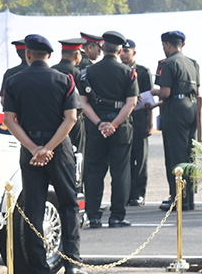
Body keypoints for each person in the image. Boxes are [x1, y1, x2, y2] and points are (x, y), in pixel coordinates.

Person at [0, 34, 89, 274]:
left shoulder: (14, 80)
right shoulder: (64, 79)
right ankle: (72, 264)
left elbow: (9, 120)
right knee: (69, 204)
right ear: (49, 56)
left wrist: (33, 148)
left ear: (28, 54)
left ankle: (38, 271)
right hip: (59, 148)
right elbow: (70, 118)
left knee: (33, 207)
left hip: (30, 148)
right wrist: (49, 148)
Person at [81, 31, 138, 228]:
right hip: (120, 127)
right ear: (120, 50)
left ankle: (94, 216)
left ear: (103, 48)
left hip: (95, 128)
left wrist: (99, 124)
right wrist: (113, 125)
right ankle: (117, 216)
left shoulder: (88, 71)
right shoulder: (128, 72)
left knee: (94, 171)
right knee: (120, 172)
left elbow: (83, 103)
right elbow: (131, 103)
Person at [154, 30, 200, 211]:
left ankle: (178, 197)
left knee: (175, 154)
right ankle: (189, 198)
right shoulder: (193, 63)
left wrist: (154, 92)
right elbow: (198, 91)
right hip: (192, 106)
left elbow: (165, 92)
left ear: (168, 45)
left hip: (175, 108)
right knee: (189, 153)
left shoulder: (168, 64)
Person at [119, 39, 155, 206]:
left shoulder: (142, 71)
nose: (124, 54)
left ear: (134, 53)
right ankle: (124, 193)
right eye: (122, 51)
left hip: (139, 116)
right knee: (123, 157)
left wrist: (150, 123)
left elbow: (149, 99)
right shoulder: (117, 70)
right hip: (121, 117)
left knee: (140, 157)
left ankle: (138, 193)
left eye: (127, 51)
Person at [53, 39, 87, 169]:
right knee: (77, 158)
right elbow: (83, 101)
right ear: (77, 55)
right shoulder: (79, 74)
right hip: (75, 120)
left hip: (54, 120)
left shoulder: (51, 71)